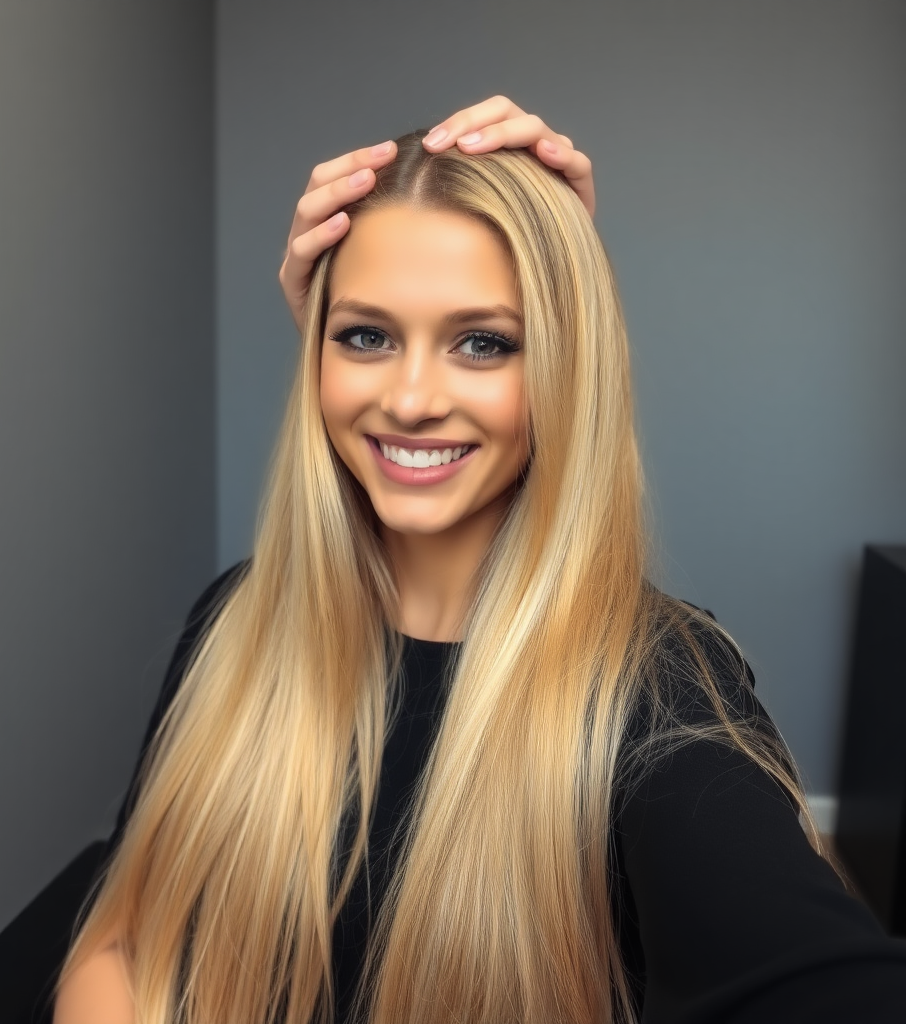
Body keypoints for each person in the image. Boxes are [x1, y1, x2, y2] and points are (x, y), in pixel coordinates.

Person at [53, 97, 906, 1024]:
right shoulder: (235, 619)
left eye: (484, 343)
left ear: (563, 370)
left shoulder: (660, 695)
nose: (411, 398)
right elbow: (123, 937)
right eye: (366, 336)